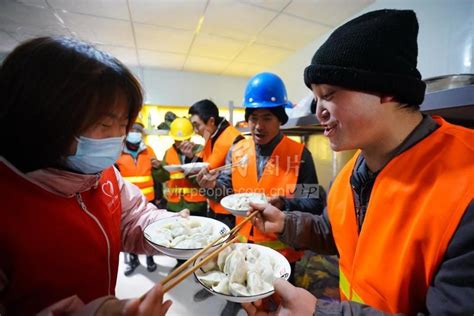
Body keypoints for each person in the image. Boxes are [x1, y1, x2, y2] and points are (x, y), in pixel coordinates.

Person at [243, 9, 474, 315]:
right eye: (316, 98)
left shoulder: (465, 184)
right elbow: (338, 232)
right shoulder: (352, 173)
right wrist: (286, 224)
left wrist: (319, 313)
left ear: (387, 90)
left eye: (329, 94)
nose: (320, 111)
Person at [0, 36, 181, 315]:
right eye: (105, 123)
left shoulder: (103, 173)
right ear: (42, 119)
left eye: (124, 124)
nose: (118, 137)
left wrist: (178, 232)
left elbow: (132, 217)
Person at [197, 72, 323, 316]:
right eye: (253, 117)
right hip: (240, 247)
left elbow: (313, 200)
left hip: (280, 255)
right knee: (237, 301)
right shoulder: (238, 151)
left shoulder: (299, 155)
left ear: (280, 119)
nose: (258, 125)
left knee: (277, 308)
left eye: (267, 117)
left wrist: (284, 202)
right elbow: (226, 191)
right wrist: (210, 187)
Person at [188, 99, 244, 229]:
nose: (196, 131)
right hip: (214, 205)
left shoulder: (235, 139)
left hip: (229, 212)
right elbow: (206, 164)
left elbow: (235, 182)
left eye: (197, 125)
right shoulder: (211, 137)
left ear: (211, 121)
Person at [116, 119, 160, 275]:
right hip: (128, 201)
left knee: (151, 231)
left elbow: (158, 174)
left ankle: (150, 258)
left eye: (138, 131)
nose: (135, 133)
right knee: (131, 231)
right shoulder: (117, 151)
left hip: (149, 198)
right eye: (132, 130)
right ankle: (133, 261)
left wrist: (159, 167)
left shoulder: (149, 150)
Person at [153, 117, 207, 216]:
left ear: (190, 137)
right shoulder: (169, 152)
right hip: (174, 205)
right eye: (177, 140)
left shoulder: (201, 151)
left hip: (196, 205)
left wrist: (191, 158)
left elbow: (202, 179)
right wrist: (158, 168)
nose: (180, 143)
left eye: (183, 139)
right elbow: (164, 178)